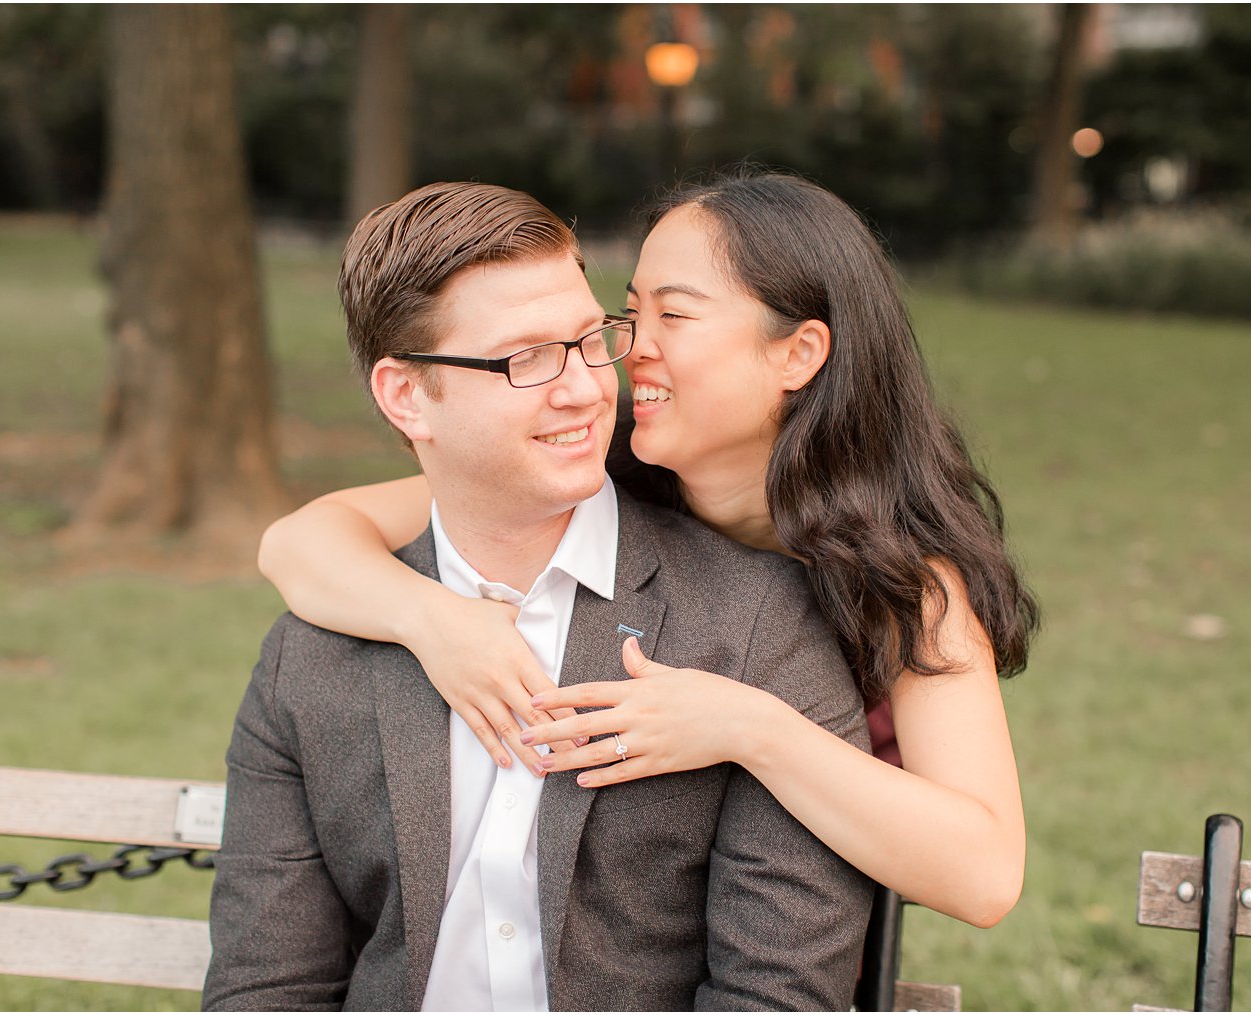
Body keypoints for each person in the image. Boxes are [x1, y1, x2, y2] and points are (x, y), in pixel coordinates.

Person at [258, 169, 1038, 930]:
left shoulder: (904, 577)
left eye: (678, 316)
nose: (627, 351)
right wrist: (434, 622)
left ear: (798, 354)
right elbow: (300, 542)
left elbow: (985, 874)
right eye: (629, 313)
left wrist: (748, 725)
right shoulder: (600, 473)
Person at [204, 181, 873, 1012]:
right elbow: (266, 988)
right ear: (407, 395)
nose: (589, 389)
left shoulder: (755, 626)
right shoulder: (311, 657)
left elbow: (776, 997)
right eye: (525, 358)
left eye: (590, 338)